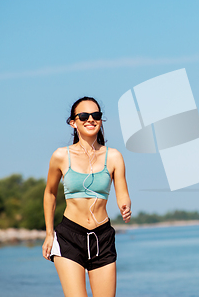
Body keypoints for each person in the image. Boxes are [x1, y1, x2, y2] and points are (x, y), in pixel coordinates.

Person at [42, 97, 132, 297]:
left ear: (101, 120)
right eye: (84, 116)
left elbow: (122, 193)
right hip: (69, 237)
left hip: (102, 237)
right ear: (73, 122)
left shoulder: (114, 156)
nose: (90, 119)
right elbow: (50, 193)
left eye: (96, 115)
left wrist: (125, 205)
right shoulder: (61, 156)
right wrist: (49, 233)